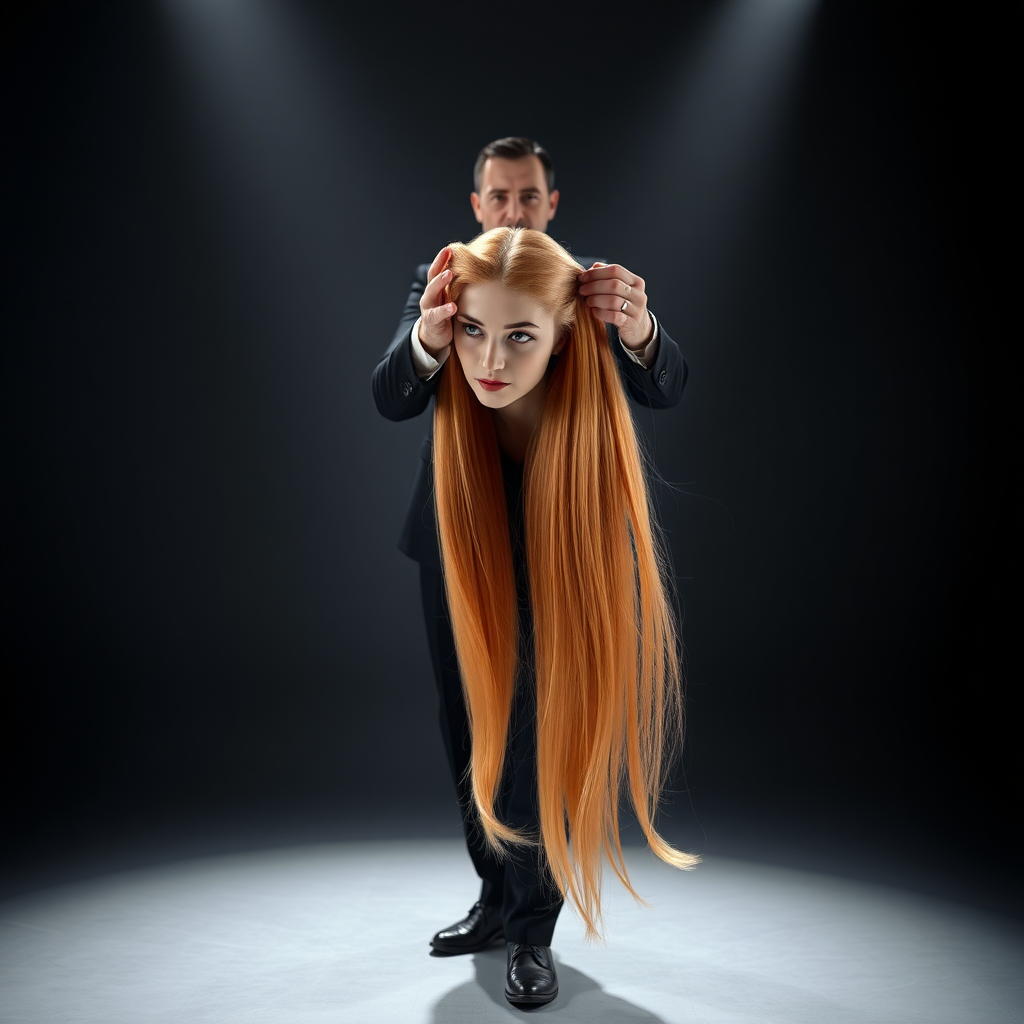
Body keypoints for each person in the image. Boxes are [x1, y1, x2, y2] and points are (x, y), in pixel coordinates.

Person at [372, 140, 696, 1008]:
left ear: (552, 203)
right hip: (456, 537)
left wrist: (641, 330)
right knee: (465, 722)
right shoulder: (445, 286)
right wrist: (433, 336)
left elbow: (666, 383)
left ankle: (532, 932)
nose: (513, 214)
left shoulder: (586, 295)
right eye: (499, 198)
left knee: (537, 737)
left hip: (561, 540)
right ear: (477, 205)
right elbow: (391, 391)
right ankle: (492, 897)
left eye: (528, 198)